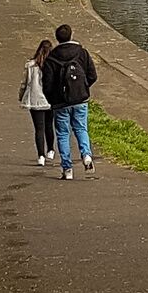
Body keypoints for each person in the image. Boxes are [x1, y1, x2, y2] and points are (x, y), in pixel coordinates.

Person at [39, 25, 98, 179]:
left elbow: (47, 84)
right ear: (71, 35)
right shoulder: (82, 53)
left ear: (57, 38)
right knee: (81, 129)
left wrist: (53, 100)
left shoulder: (51, 58)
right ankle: (86, 155)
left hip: (60, 103)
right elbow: (92, 75)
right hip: (80, 100)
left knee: (63, 134)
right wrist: (82, 89)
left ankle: (67, 169)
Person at [19, 35, 58, 166]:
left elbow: (24, 83)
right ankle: (51, 150)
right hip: (49, 100)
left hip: (35, 100)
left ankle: (40, 155)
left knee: (39, 129)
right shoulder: (53, 65)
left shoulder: (30, 65)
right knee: (49, 125)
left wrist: (21, 96)